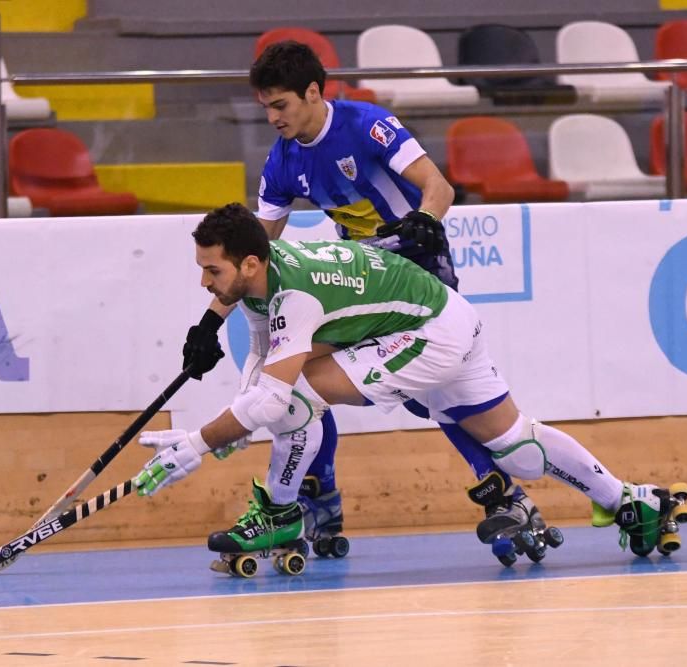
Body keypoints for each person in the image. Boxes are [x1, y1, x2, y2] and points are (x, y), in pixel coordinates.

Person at [136, 204, 687, 572]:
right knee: (520, 453)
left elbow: (271, 395)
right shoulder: (263, 278)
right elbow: (261, 356)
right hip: (443, 316)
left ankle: (281, 513)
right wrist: (236, 418)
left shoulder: (293, 295)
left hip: (430, 333)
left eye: (212, 271)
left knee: (296, 399)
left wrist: (199, 443)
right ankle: (633, 503)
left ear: (249, 262)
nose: (205, 283)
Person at [181, 41, 554, 565]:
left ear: (313, 92)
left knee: (433, 396)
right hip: (362, 283)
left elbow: (439, 188)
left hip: (418, 273)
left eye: (280, 105)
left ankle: (504, 493)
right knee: (301, 373)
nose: (272, 118)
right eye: (264, 107)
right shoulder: (283, 159)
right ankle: (320, 494)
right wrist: (209, 322)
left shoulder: (368, 125)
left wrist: (426, 220)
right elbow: (250, 253)